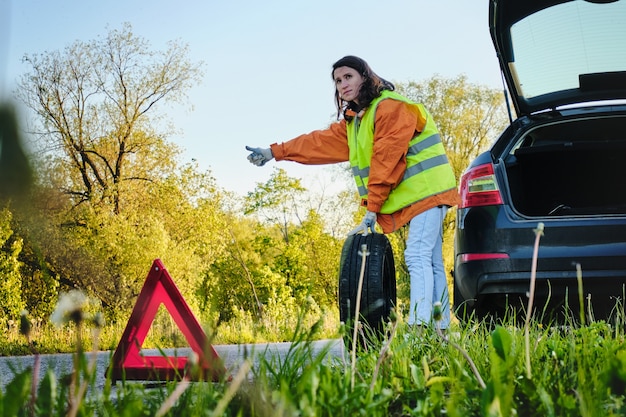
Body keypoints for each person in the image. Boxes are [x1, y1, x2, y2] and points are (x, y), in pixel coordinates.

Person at [246, 56, 460, 328]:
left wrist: (372, 210)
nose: (342, 85)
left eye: (348, 77)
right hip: (421, 194)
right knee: (429, 260)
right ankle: (438, 331)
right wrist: (273, 152)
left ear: (365, 76)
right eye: (337, 81)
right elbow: (317, 143)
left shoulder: (391, 107)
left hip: (429, 191)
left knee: (417, 256)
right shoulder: (358, 121)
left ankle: (420, 326)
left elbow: (386, 160)